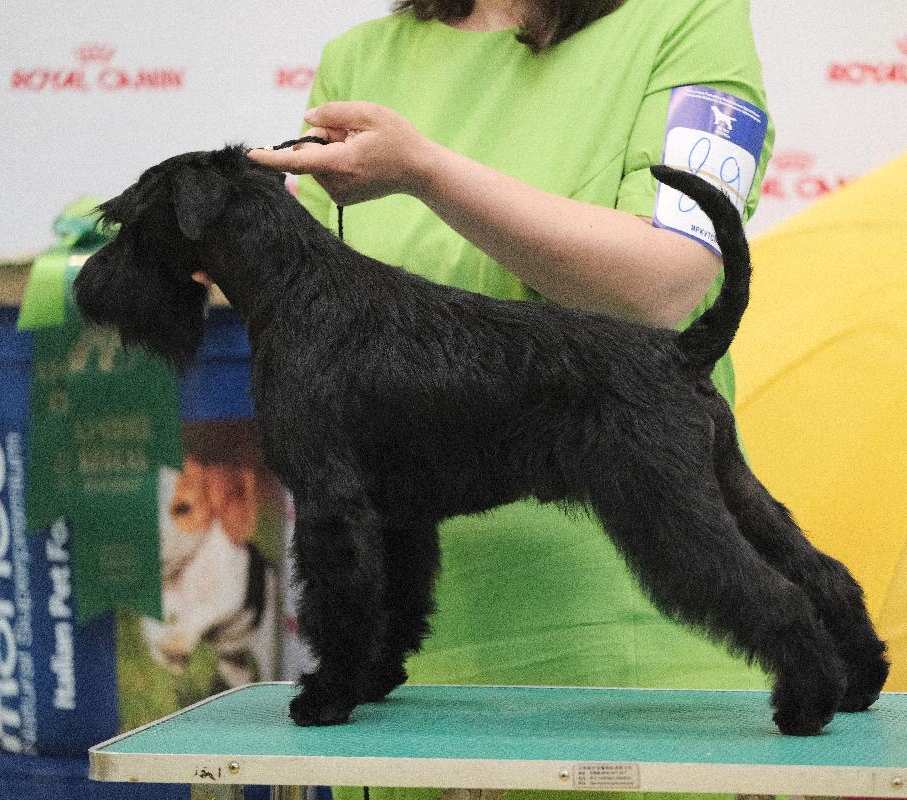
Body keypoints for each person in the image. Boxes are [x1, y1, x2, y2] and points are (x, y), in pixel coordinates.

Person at [249, 1, 773, 798]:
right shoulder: (357, 58)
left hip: (634, 667)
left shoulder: (688, 19)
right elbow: (317, 303)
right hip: (407, 681)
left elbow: (663, 286)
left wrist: (426, 171)